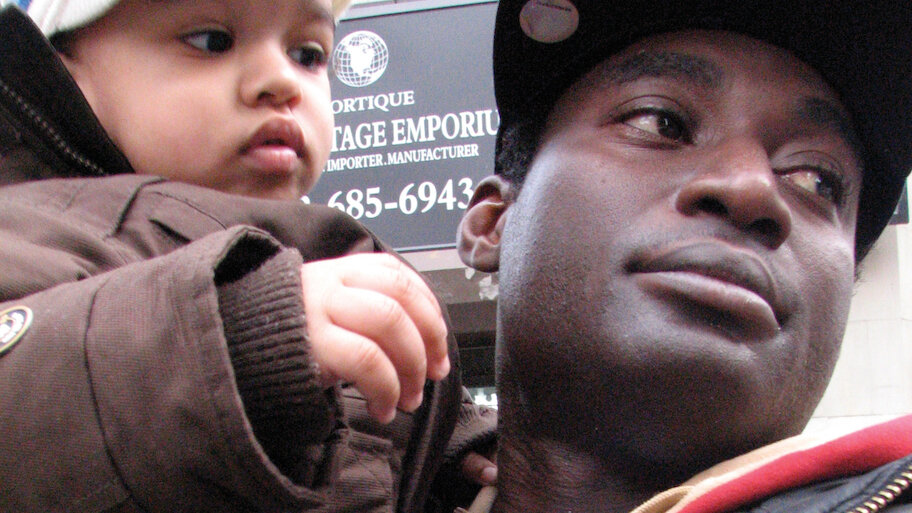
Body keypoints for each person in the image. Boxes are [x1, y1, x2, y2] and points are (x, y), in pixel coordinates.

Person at [0, 0, 495, 511]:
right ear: (67, 72)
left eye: (307, 54)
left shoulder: (313, 252)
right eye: (211, 41)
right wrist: (234, 342)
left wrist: (451, 444)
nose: (280, 81)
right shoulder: (30, 230)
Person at [456, 0, 912, 512]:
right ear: (494, 222)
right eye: (662, 123)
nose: (752, 189)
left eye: (816, 180)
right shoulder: (380, 471)